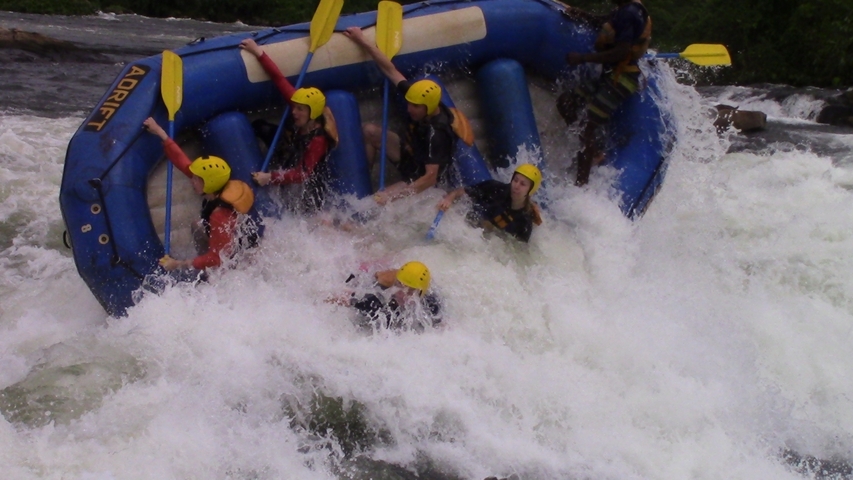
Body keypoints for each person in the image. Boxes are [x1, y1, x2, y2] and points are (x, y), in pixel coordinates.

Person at [342, 26, 474, 206]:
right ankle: (362, 182)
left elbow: (429, 179)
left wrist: (395, 196)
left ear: (427, 108)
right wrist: (362, 40)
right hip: (410, 154)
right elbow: (389, 69)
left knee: (378, 202)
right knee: (369, 131)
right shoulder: (420, 97)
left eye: (415, 107)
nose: (410, 109)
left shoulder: (436, 135)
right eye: (409, 103)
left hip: (419, 178)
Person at [143, 117, 258, 271]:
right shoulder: (214, 188)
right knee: (197, 226)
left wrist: (178, 264)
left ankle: (208, 276)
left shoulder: (220, 215)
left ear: (208, 183)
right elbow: (181, 160)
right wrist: (159, 132)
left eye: (196, 179)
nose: (192, 180)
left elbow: (217, 258)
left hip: (237, 259)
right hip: (228, 243)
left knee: (218, 264)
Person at [240, 38, 338, 214]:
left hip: (308, 184)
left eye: (300, 110)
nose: (294, 112)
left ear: (312, 114)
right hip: (290, 149)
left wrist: (270, 178)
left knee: (305, 209)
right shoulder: (300, 103)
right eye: (294, 107)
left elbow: (302, 174)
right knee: (260, 126)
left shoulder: (319, 140)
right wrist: (257, 52)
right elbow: (278, 78)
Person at [559, 0, 652, 186]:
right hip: (609, 73)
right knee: (566, 103)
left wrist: (583, 58)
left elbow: (620, 52)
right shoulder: (627, 9)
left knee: (587, 129)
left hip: (621, 79)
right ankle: (595, 150)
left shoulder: (629, 12)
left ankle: (581, 184)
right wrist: (581, 15)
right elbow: (605, 22)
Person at [437, 164, 543, 243]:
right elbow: (462, 191)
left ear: (530, 190)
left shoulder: (524, 221)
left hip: (485, 243)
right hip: (466, 227)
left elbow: (518, 250)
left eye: (522, 184)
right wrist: (449, 199)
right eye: (515, 180)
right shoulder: (494, 188)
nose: (516, 186)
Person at [328, 261, 442, 331]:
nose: (401, 293)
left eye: (410, 291)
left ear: (420, 293)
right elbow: (347, 299)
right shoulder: (380, 296)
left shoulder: (431, 304)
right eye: (399, 285)